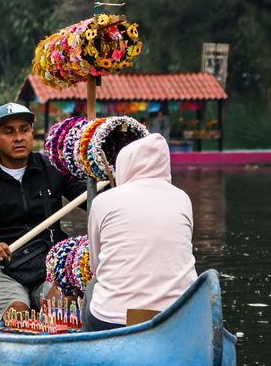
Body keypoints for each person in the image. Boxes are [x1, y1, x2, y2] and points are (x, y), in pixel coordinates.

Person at [0, 102, 86, 323]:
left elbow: (92, 200)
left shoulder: (54, 168)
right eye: (9, 132)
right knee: (17, 314)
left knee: (64, 308)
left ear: (31, 134)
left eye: (24, 130)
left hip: (49, 263)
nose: (18, 137)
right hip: (0, 268)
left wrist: (101, 177)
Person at [84, 133, 197, 331]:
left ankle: (89, 345)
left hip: (112, 319)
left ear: (125, 164)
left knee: (93, 284)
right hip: (179, 315)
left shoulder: (103, 201)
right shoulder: (182, 199)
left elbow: (96, 265)